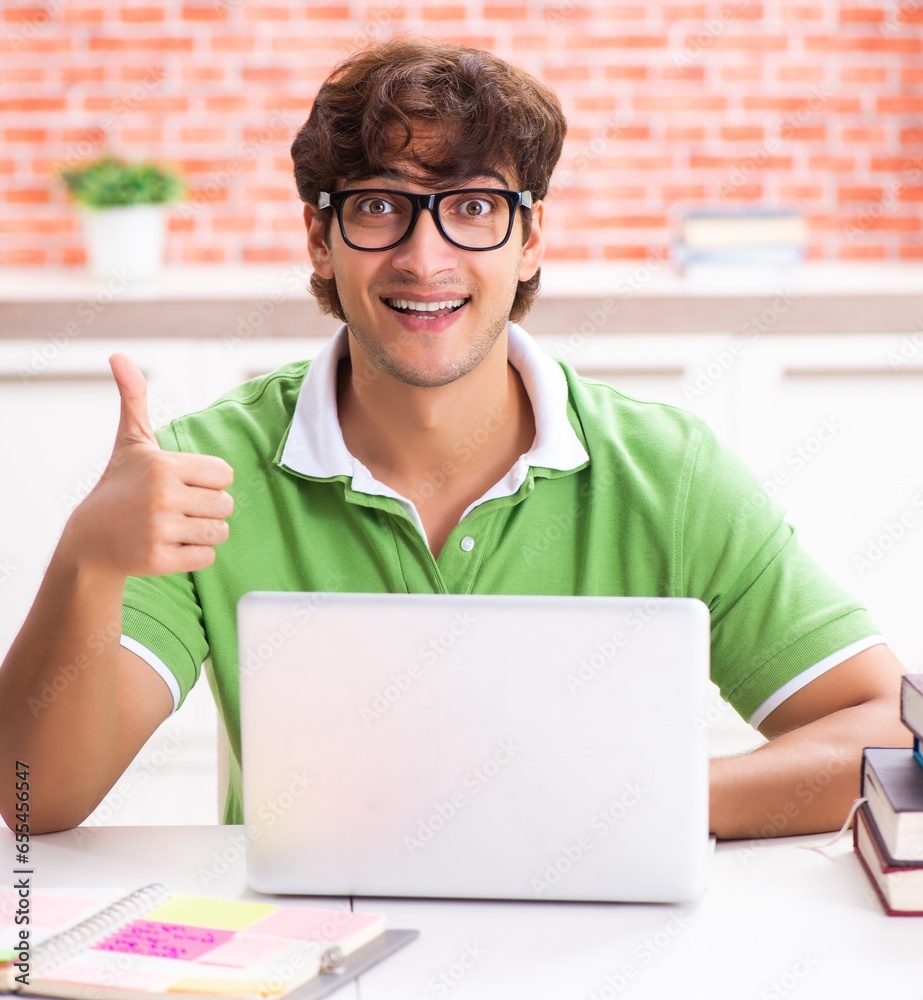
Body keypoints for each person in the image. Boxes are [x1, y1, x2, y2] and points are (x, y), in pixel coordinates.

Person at [0, 38, 910, 838]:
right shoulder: (205, 474)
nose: (423, 258)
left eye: (472, 207)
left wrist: (639, 801)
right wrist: (86, 559)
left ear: (530, 239)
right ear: (320, 238)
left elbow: (885, 730)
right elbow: (37, 799)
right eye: (377, 206)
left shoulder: (665, 471)